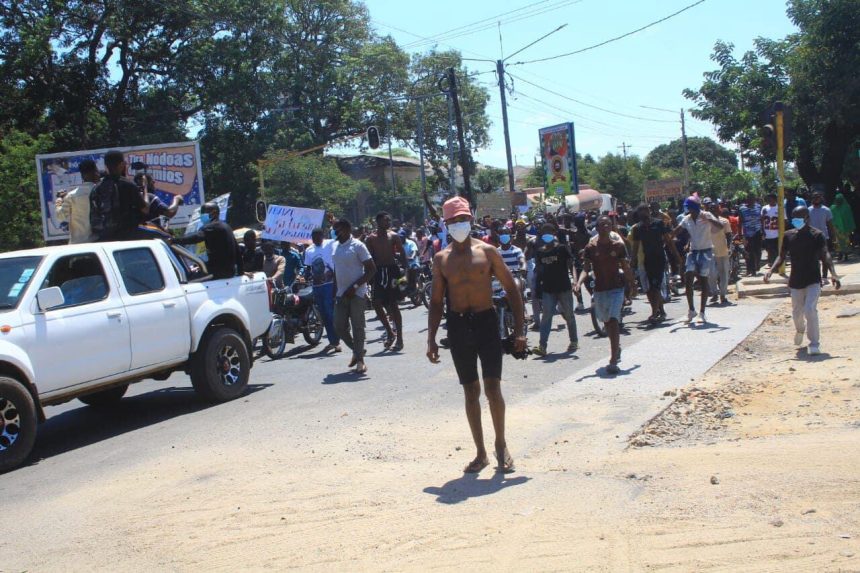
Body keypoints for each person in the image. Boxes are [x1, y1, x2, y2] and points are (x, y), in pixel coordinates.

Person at [427, 196, 525, 474]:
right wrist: (431, 339)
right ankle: (480, 453)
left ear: (470, 220)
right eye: (454, 220)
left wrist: (520, 330)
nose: (459, 224)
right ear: (445, 224)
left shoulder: (488, 252)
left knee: (493, 388)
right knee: (471, 390)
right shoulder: (441, 258)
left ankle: (501, 445)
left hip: (486, 321)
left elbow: (512, 290)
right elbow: (436, 301)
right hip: (458, 326)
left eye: (463, 219)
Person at [764, 206, 841, 355]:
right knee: (796, 312)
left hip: (813, 279)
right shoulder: (788, 235)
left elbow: (825, 254)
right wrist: (771, 270)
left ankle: (814, 343)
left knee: (810, 309)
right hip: (795, 280)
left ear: (806, 218)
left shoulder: (817, 235)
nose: (795, 220)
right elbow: (781, 256)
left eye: (798, 217)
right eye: (794, 217)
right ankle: (800, 330)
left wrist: (833, 273)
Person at [575, 215, 635, 374]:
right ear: (597, 228)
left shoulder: (618, 246)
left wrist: (632, 285)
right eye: (602, 225)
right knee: (607, 322)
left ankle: (613, 359)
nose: (605, 227)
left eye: (608, 225)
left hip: (616, 288)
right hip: (600, 290)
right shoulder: (591, 248)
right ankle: (617, 348)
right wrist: (579, 283)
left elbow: (626, 267)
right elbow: (586, 269)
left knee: (614, 320)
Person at [332, 218, 376, 374]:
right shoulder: (335, 247)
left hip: (357, 293)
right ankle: (358, 351)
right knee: (339, 326)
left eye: (337, 228)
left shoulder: (358, 246)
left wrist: (355, 286)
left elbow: (371, 269)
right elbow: (336, 271)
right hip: (340, 294)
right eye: (333, 228)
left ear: (346, 229)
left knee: (358, 327)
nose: (334, 231)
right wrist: (335, 292)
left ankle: (360, 361)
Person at [673, 196, 725, 324]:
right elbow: (677, 231)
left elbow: (720, 226)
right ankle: (691, 310)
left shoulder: (706, 215)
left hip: (706, 251)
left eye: (690, 207)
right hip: (693, 251)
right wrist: (666, 236)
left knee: (703, 280)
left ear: (695, 207)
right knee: (688, 276)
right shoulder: (687, 219)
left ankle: (702, 312)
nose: (689, 210)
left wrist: (709, 219)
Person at [532, 223, 578, 357]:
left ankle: (574, 341)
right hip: (548, 289)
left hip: (564, 287)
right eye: (544, 231)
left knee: (569, 314)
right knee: (546, 317)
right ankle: (542, 346)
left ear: (554, 233)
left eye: (549, 231)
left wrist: (575, 282)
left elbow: (571, 266)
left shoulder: (562, 249)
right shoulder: (540, 252)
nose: (546, 234)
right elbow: (539, 271)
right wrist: (537, 288)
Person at [630, 203, 681, 323]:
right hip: (647, 260)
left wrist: (677, 256)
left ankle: (654, 313)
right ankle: (661, 311)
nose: (644, 215)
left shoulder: (658, 223)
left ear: (649, 212)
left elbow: (668, 241)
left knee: (655, 285)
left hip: (659, 259)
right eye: (641, 213)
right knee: (651, 288)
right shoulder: (637, 228)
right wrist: (632, 262)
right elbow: (636, 247)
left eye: (645, 212)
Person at [365, 211, 407, 351]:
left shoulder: (394, 236)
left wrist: (406, 273)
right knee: (376, 303)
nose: (387, 223)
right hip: (378, 273)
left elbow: (402, 254)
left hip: (392, 272)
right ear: (377, 222)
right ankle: (390, 332)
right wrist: (368, 276)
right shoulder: (370, 238)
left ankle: (399, 338)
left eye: (388, 220)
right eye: (385, 220)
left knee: (394, 305)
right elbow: (368, 258)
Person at [91, 150, 149, 241]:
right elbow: (145, 209)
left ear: (106, 165)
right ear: (122, 164)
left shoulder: (97, 188)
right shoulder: (128, 185)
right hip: (128, 237)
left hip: (105, 237)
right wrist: (145, 187)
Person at [175, 202, 243, 279]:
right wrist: (241, 272)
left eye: (203, 212)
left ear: (214, 213)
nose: (201, 216)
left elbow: (196, 238)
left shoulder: (211, 227)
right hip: (229, 272)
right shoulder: (226, 226)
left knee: (188, 279)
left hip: (218, 273)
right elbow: (237, 251)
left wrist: (174, 240)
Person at [303, 228, 340, 353]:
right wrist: (304, 275)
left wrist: (333, 223)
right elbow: (308, 267)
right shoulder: (309, 250)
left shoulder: (330, 243)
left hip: (330, 284)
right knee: (323, 315)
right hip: (317, 286)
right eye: (313, 237)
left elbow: (340, 237)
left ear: (323, 235)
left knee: (330, 313)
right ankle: (332, 341)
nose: (316, 239)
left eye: (318, 236)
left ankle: (336, 340)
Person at [55, 159, 100, 244]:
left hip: (78, 245)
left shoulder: (71, 196)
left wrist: (59, 200)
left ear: (82, 175)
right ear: (95, 172)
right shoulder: (102, 192)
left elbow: (61, 216)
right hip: (98, 243)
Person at [706, 200, 733, 305]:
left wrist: (729, 246)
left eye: (715, 208)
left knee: (724, 273)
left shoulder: (724, 221)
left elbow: (729, 235)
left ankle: (722, 294)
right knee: (711, 273)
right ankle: (714, 293)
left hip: (722, 250)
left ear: (719, 210)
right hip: (710, 251)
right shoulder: (705, 222)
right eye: (711, 208)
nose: (713, 210)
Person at [807, 192, 835, 280]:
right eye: (814, 197)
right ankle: (817, 276)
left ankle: (824, 275)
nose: (816, 199)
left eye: (818, 197)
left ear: (821, 198)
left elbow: (830, 224)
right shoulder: (808, 210)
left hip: (824, 237)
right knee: (813, 258)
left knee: (825, 258)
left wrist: (833, 236)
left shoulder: (826, 210)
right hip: (812, 237)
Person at [738, 195, 764, 276]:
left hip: (757, 232)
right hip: (747, 233)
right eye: (749, 199)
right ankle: (750, 269)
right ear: (747, 200)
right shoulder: (742, 208)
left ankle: (756, 265)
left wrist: (763, 231)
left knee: (757, 251)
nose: (751, 201)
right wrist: (740, 234)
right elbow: (740, 221)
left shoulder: (759, 207)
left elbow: (761, 219)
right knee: (748, 252)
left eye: (753, 199)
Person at [831, 192, 856, 261]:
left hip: (846, 228)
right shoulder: (833, 208)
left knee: (846, 242)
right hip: (837, 228)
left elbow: (850, 218)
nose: (838, 201)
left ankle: (846, 255)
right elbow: (831, 218)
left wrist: (851, 227)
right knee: (837, 242)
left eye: (839, 199)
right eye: (837, 199)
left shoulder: (847, 207)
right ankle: (840, 254)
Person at [761, 192, 781, 268]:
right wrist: (762, 231)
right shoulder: (764, 208)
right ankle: (771, 263)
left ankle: (777, 264)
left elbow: (784, 220)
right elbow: (761, 220)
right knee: (769, 249)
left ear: (775, 199)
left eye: (771, 199)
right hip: (767, 232)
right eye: (768, 199)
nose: (770, 200)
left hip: (777, 233)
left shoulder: (779, 208)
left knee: (776, 249)